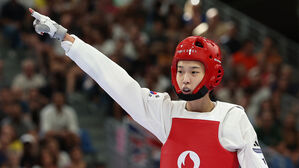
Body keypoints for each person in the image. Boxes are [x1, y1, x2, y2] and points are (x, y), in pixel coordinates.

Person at [29, 8, 268, 167]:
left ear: (213, 74)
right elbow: (116, 81)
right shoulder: (166, 113)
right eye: (181, 70)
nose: (185, 78)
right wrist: (67, 39)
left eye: (194, 71)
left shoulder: (232, 118)